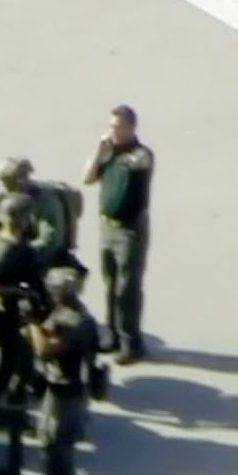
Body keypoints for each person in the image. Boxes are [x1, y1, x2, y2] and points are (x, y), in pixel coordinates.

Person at [26, 267, 99, 475]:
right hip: (55, 386)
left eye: (54, 291)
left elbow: (45, 348)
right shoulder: (63, 312)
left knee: (62, 448)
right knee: (45, 436)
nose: (51, 294)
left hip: (70, 393)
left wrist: (32, 324)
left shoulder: (79, 323)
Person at [82, 104, 154, 363]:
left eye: (119, 127)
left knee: (127, 287)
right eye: (111, 126)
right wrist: (99, 152)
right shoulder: (108, 152)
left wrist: (119, 154)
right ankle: (112, 333)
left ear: (131, 128)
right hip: (107, 226)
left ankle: (131, 342)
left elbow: (139, 163)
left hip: (129, 230)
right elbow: (88, 179)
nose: (113, 131)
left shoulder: (141, 154)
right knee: (110, 282)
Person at [0, 194, 46, 408]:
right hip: (7, 311)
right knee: (10, 361)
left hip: (19, 308)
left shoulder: (12, 242)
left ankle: (15, 396)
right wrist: (19, 292)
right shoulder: (3, 249)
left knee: (23, 359)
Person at [0, 157, 88, 280]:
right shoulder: (12, 197)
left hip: (48, 259)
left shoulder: (45, 201)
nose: (4, 186)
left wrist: (22, 254)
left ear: (20, 180)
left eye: (7, 182)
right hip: (24, 252)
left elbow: (50, 240)